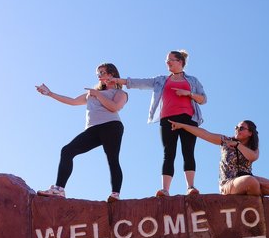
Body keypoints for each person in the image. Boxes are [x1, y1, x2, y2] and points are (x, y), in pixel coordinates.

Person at [167, 119, 269, 212]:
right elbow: (205, 134)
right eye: (236, 127)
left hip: (248, 181)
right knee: (251, 181)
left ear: (250, 133)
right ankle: (254, 202)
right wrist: (182, 125)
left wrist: (237, 145)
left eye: (241, 128)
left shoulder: (253, 148)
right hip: (229, 184)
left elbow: (253, 157)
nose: (237, 130)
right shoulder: (225, 141)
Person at [112, 50, 206, 196]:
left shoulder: (192, 80)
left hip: (188, 119)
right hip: (167, 119)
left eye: (170, 60)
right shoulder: (161, 80)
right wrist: (118, 81)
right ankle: (165, 190)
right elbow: (140, 82)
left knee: (188, 151)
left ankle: (190, 187)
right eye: (166, 60)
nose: (167, 63)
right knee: (169, 153)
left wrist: (189, 94)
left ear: (180, 62)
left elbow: (203, 99)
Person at [35, 63, 128, 202]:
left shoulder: (120, 93)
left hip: (111, 126)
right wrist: (50, 93)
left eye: (102, 72)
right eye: (98, 74)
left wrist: (98, 94)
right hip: (93, 129)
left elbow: (114, 107)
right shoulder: (91, 94)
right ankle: (59, 189)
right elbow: (72, 101)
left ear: (112, 74)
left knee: (112, 159)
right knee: (67, 151)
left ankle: (115, 194)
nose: (99, 76)